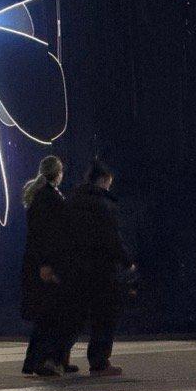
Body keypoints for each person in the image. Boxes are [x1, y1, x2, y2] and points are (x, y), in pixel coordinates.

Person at [63, 159, 137, 377]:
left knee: (75, 315)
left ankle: (59, 357)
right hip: (102, 269)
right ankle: (99, 361)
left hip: (76, 266)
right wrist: (127, 261)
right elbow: (112, 237)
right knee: (104, 317)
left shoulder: (72, 201)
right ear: (104, 180)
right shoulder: (103, 204)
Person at [19, 156, 77, 378]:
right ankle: (43, 360)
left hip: (41, 261)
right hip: (47, 263)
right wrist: (47, 264)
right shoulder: (49, 198)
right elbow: (47, 234)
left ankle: (41, 359)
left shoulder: (40, 196)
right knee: (50, 315)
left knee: (47, 314)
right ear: (58, 173)